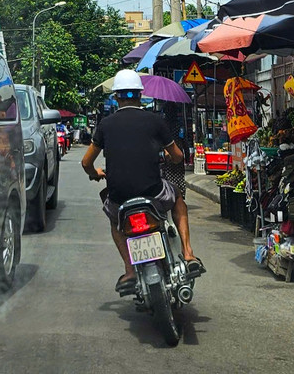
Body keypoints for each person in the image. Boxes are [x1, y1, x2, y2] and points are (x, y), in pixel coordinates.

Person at [81, 70, 203, 294]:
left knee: (114, 220)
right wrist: (171, 158)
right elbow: (178, 156)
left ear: (116, 97)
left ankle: (129, 270)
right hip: (153, 193)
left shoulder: (105, 124)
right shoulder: (155, 121)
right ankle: (188, 253)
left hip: (120, 198)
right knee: (177, 198)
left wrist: (95, 173)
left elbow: (86, 162)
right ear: (140, 95)